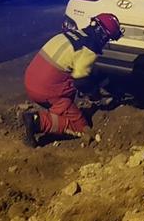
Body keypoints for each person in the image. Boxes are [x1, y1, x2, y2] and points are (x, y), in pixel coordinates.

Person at [21, 14, 124, 147]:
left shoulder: (69, 35)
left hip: (31, 79)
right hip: (46, 90)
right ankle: (37, 121)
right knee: (81, 127)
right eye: (109, 39)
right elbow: (81, 83)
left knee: (74, 75)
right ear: (103, 36)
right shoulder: (88, 51)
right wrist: (94, 94)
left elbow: (85, 69)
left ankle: (57, 111)